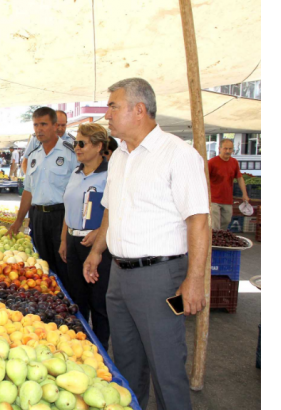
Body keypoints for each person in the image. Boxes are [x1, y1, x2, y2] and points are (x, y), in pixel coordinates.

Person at [83, 78, 210, 410]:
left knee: (165, 366)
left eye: (113, 106)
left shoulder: (178, 155)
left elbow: (198, 220)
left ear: (138, 110)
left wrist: (195, 280)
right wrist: (97, 251)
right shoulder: (121, 156)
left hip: (160, 277)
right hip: (119, 274)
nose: (106, 114)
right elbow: (111, 208)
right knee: (126, 363)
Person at [8, 107, 79, 287]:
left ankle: (69, 306)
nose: (39, 129)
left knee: (65, 267)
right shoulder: (33, 156)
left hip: (62, 217)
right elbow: (28, 191)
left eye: (44, 124)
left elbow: (79, 191)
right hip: (38, 217)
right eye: (36, 125)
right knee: (41, 266)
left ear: (55, 126)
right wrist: (18, 221)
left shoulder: (71, 154)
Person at [57, 123, 112, 350]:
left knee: (99, 301)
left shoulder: (110, 175)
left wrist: (100, 233)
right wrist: (63, 240)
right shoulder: (76, 172)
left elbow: (117, 210)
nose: (77, 148)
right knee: (77, 298)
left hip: (97, 245)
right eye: (75, 143)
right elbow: (67, 208)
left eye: (82, 143)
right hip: (73, 241)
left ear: (99, 146)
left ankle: (100, 349)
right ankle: (81, 346)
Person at [209, 139, 250, 230]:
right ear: (220, 149)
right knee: (215, 225)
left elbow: (239, 178)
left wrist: (244, 193)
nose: (228, 151)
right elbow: (204, 178)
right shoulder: (212, 162)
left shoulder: (234, 162)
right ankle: (213, 242)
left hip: (227, 199)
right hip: (213, 199)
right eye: (225, 148)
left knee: (226, 222)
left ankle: (219, 241)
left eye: (230, 149)